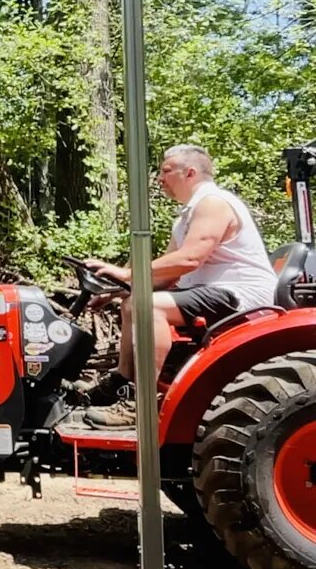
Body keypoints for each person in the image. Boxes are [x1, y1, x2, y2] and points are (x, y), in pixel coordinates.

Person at [82, 144, 278, 429]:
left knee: (149, 306)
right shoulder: (188, 214)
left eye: (165, 171)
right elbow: (169, 273)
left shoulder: (214, 202)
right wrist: (116, 288)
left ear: (190, 172)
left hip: (240, 294)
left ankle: (142, 404)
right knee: (132, 302)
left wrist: (126, 272)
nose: (159, 179)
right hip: (211, 290)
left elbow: (189, 258)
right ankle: (122, 380)